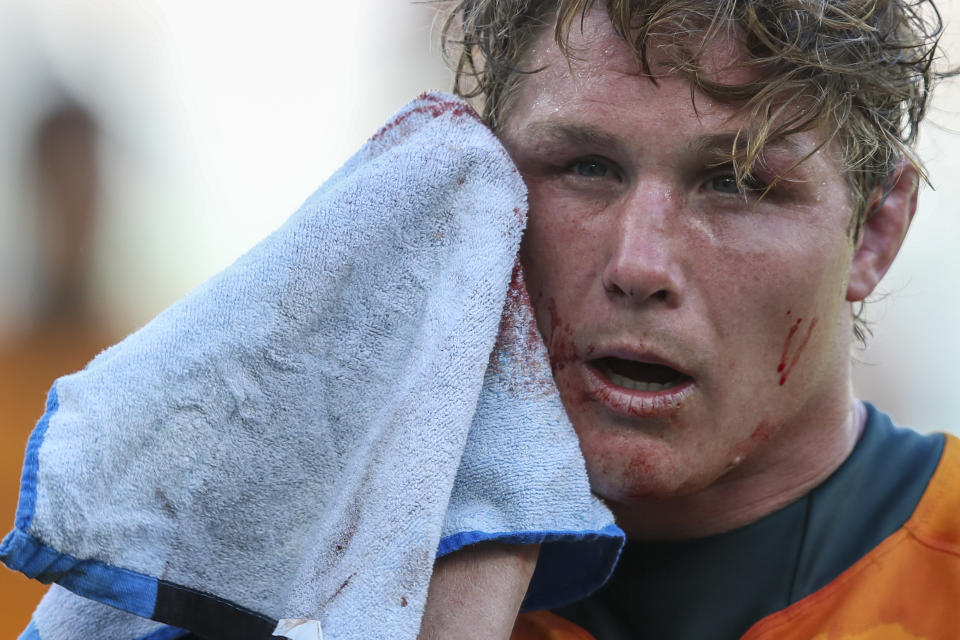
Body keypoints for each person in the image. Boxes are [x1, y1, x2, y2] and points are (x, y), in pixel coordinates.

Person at [434, 1, 959, 638]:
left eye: (735, 181)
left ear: (876, 230)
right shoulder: (323, 566)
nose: (638, 264)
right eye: (586, 167)